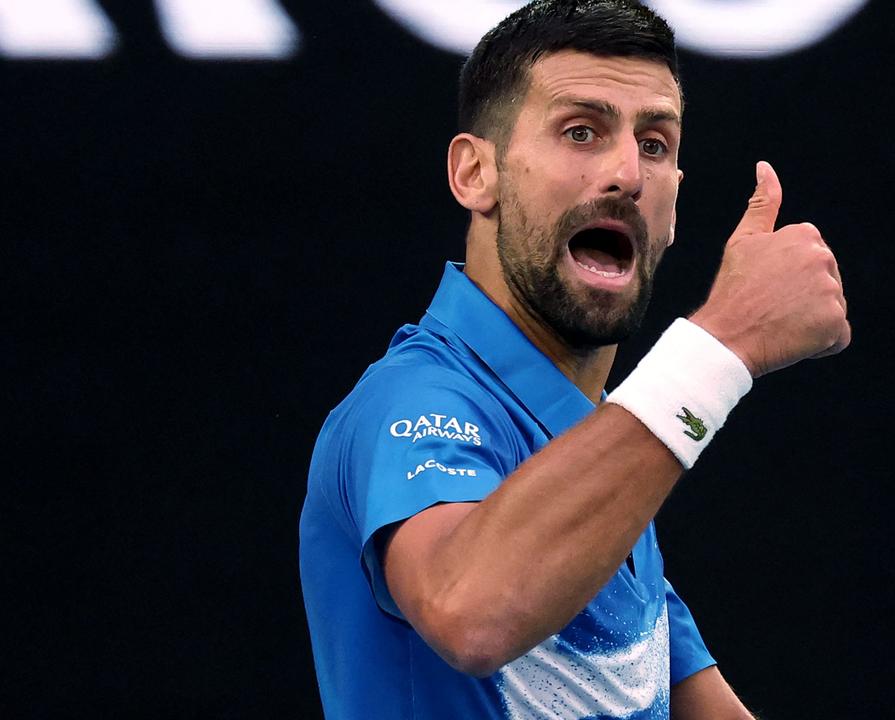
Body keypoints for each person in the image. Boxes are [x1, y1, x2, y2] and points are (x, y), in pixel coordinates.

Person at [298, 0, 850, 717]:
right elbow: (471, 612)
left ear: (675, 205)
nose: (627, 173)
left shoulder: (607, 462)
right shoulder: (408, 403)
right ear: (474, 174)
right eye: (581, 132)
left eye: (655, 144)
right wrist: (724, 342)